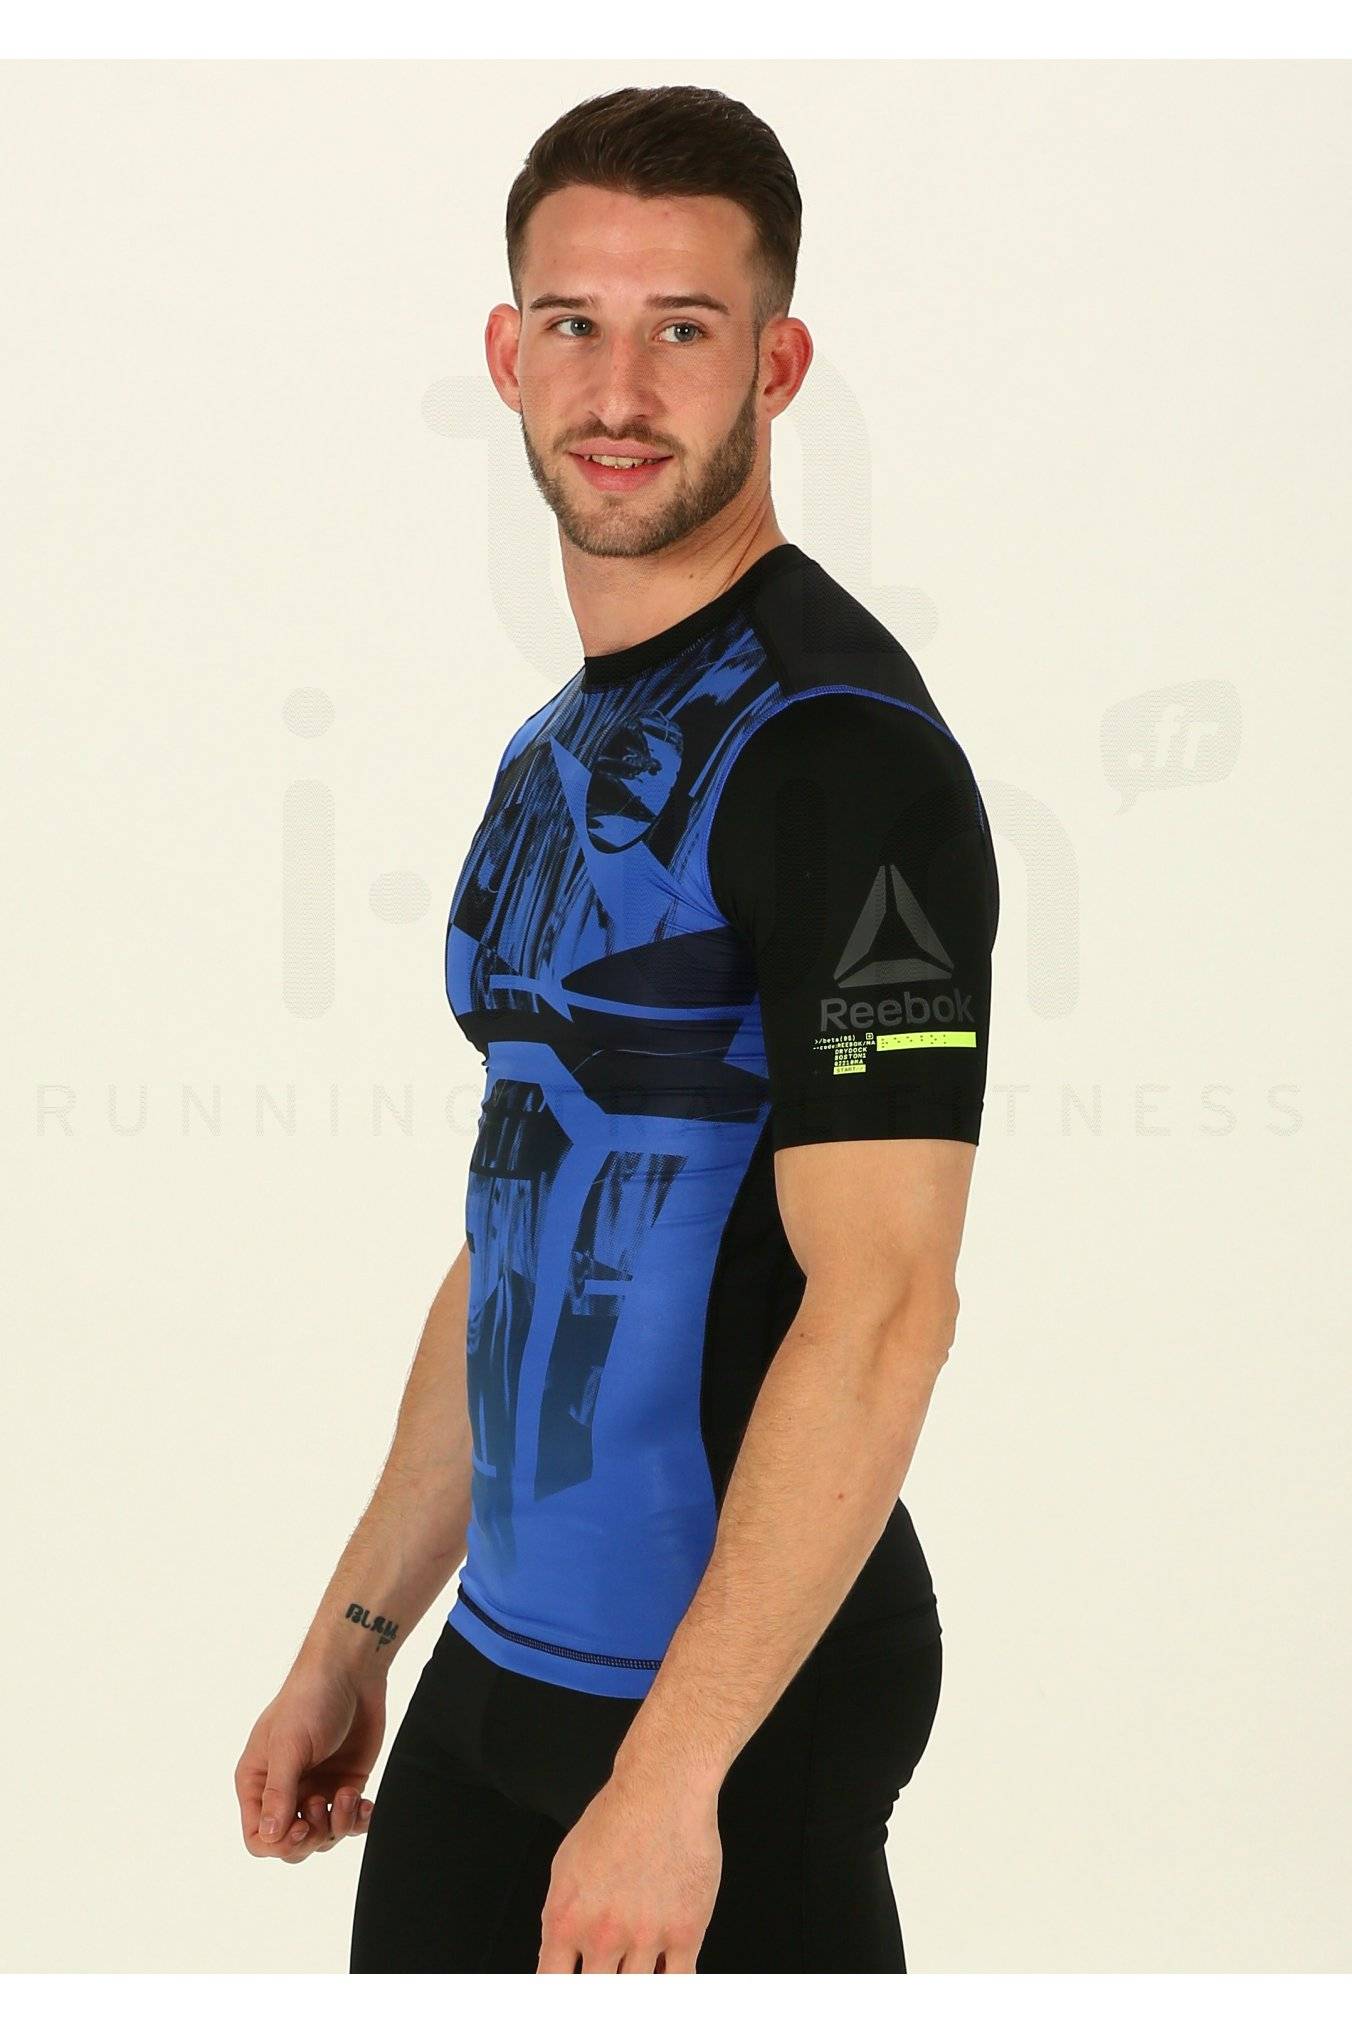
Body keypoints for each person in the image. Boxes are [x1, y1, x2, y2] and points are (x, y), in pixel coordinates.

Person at [234, 82, 999, 1975]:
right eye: (575, 323)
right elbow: (522, 1202)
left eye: (685, 328)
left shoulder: (845, 758)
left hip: (733, 1714)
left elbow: (888, 1302)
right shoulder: (559, 745)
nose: (621, 388)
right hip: (502, 1664)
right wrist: (355, 1632)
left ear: (777, 365)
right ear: (508, 355)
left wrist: (674, 1778)